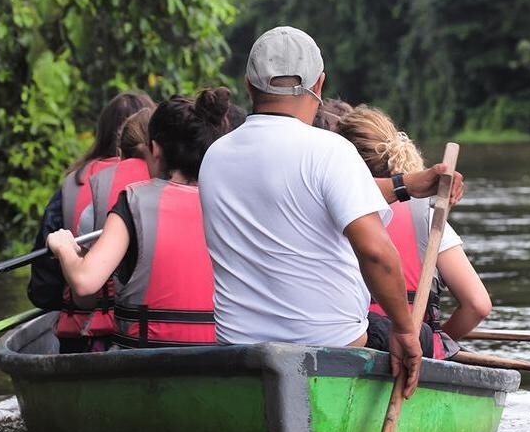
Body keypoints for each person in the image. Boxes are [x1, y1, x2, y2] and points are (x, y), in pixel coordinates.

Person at [198, 26, 463, 399]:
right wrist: (404, 330)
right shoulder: (330, 152)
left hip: (240, 349)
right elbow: (375, 252)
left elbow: (307, 191)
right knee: (418, 333)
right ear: (319, 85)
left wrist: (407, 185)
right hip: (335, 347)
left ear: (248, 85)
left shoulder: (215, 157)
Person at [47, 88, 231, 348]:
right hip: (219, 357)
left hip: (146, 362)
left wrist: (65, 247)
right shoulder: (233, 203)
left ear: (155, 149)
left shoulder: (133, 202)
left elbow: (85, 283)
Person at [337, 104, 491, 357]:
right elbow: (478, 305)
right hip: (413, 350)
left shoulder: (333, 213)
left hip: (351, 344)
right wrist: (434, 345)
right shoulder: (428, 217)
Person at [27, 91, 154, 350]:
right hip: (155, 334)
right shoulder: (181, 186)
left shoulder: (72, 187)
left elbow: (43, 291)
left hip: (87, 336)